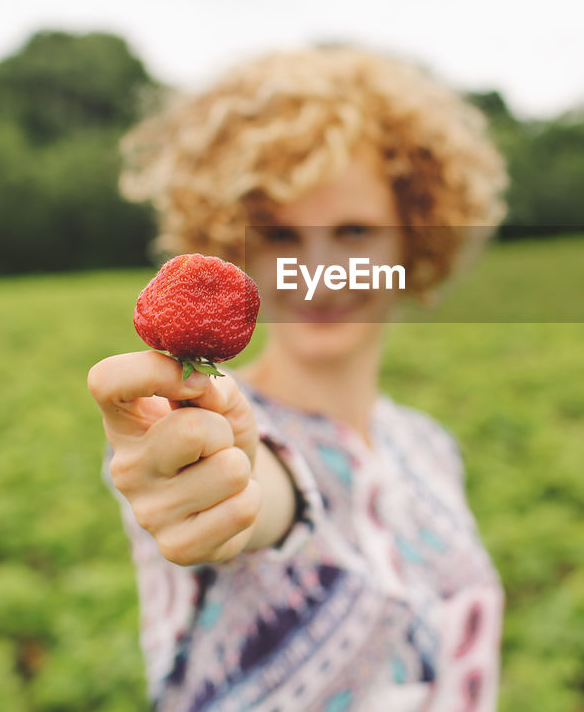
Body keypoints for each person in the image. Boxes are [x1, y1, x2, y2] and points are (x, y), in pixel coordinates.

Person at [86, 45, 508, 711]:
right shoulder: (197, 427)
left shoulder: (429, 447)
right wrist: (230, 482)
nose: (319, 268)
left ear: (414, 236)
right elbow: (260, 493)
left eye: (354, 230)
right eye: (281, 235)